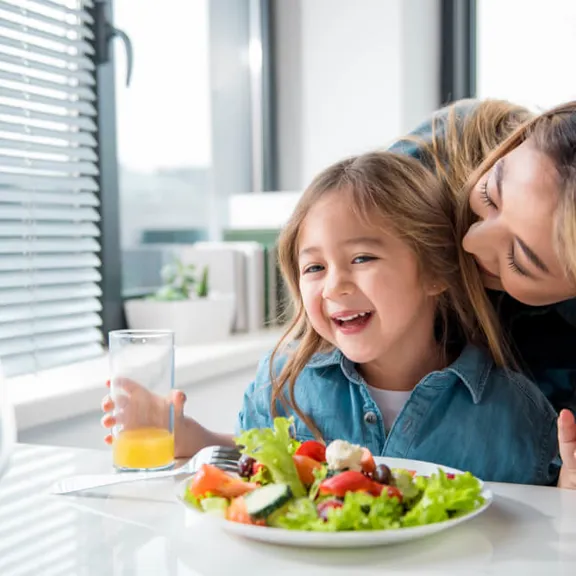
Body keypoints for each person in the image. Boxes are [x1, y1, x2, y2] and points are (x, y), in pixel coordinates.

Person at [102, 152, 560, 485]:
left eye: (362, 258)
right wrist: (184, 433)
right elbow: (256, 462)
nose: (334, 286)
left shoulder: (513, 412)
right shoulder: (284, 381)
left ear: (435, 270)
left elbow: (542, 531)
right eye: (314, 268)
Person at [390, 99, 576, 488]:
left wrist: (564, 490)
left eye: (519, 260)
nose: (471, 243)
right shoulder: (428, 162)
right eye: (490, 194)